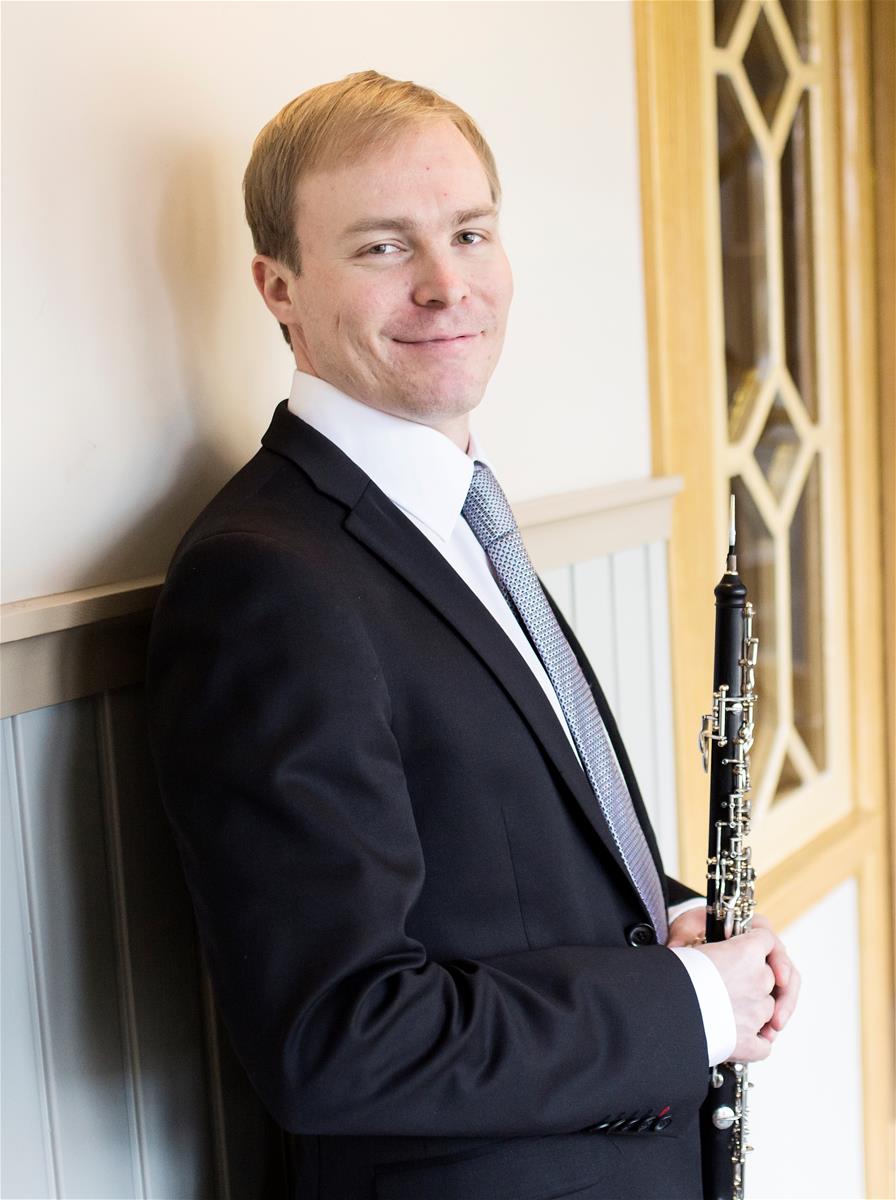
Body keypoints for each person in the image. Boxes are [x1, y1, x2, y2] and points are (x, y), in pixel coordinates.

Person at [146, 70, 800, 1200]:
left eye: (469, 232)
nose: (447, 284)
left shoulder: (450, 515)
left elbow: (492, 865)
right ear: (278, 288)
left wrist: (666, 923)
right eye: (382, 247)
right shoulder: (264, 581)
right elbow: (337, 1036)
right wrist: (691, 1005)